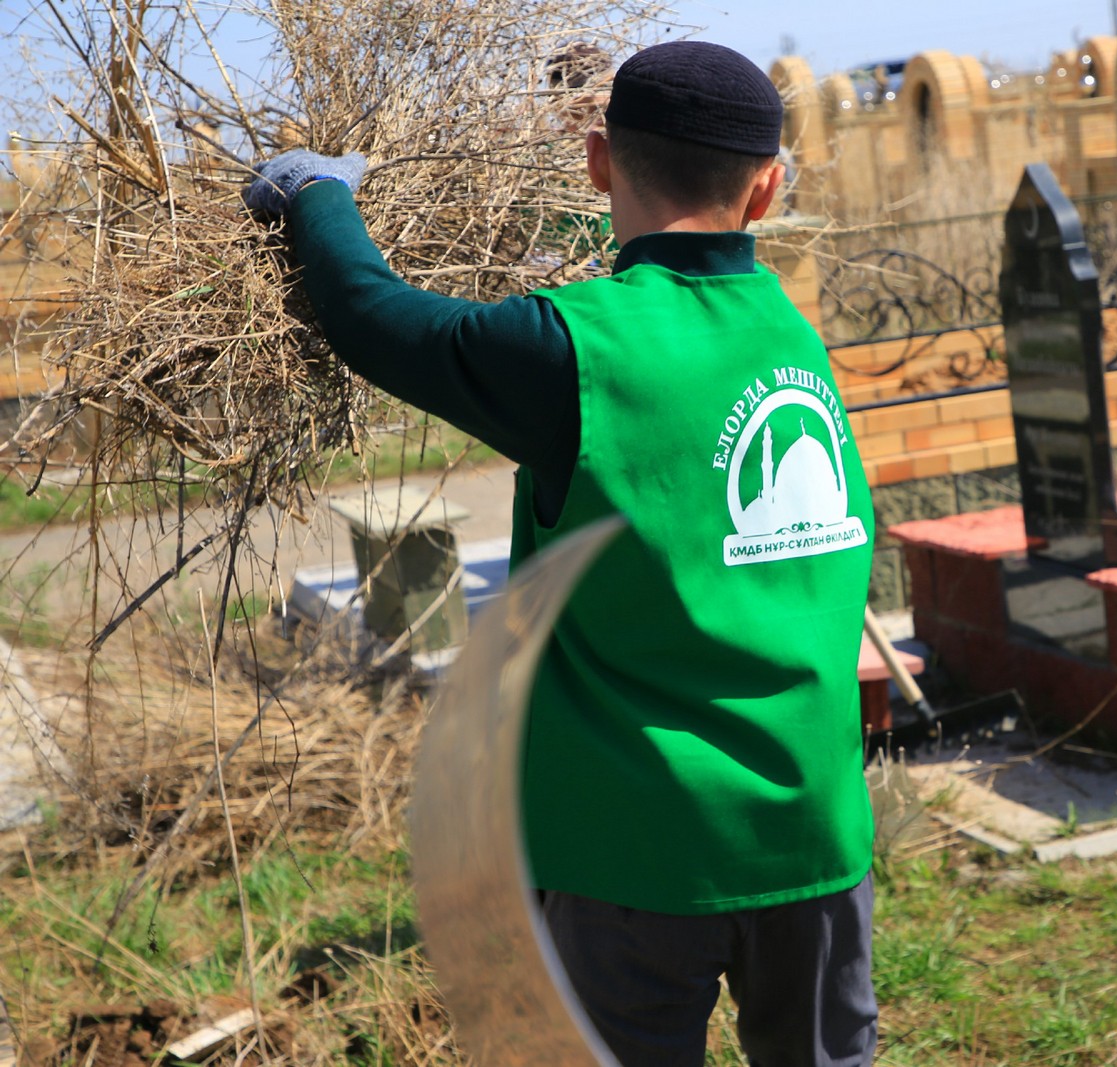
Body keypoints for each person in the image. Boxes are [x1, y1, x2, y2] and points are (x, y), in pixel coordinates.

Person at [245, 40, 879, 1067]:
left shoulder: (570, 351)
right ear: (767, 189)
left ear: (596, 161)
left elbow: (374, 316)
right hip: (813, 834)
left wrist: (315, 195)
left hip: (633, 855)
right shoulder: (791, 334)